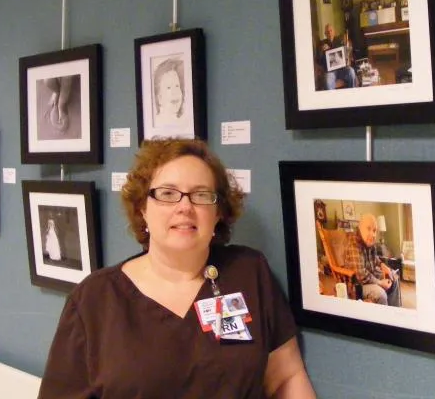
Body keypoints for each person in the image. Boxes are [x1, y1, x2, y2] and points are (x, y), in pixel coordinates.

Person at [38, 138, 316, 399]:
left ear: (218, 213)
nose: (185, 206)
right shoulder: (95, 299)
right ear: (142, 209)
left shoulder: (249, 273)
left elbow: (285, 377)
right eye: (168, 194)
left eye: (201, 195)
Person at [344, 213, 401, 307]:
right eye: (368, 228)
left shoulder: (370, 241)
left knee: (393, 277)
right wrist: (380, 283)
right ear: (360, 228)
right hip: (357, 285)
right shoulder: (353, 244)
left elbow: (375, 258)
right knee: (381, 294)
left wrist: (383, 265)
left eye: (374, 230)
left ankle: (394, 312)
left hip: (371, 275)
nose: (373, 234)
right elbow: (361, 275)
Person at [315, 23, 357, 90]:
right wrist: (321, 51)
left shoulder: (340, 41)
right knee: (327, 80)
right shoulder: (321, 44)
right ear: (325, 34)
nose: (330, 33)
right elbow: (318, 61)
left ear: (334, 32)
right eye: (327, 32)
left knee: (351, 71)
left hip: (342, 69)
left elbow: (347, 54)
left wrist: (348, 50)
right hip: (330, 72)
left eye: (331, 31)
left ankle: (352, 94)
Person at [152, 57, 186, 127]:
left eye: (177, 86)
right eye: (168, 88)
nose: (175, 92)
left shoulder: (183, 123)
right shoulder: (158, 124)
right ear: (159, 97)